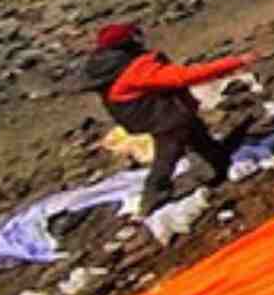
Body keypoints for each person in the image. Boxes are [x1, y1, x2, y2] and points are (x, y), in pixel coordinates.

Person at [80, 23, 262, 214]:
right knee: (167, 155)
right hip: (165, 118)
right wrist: (236, 62)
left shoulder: (111, 68)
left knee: (196, 135)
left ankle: (217, 162)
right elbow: (184, 77)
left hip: (160, 115)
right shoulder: (135, 70)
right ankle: (153, 199)